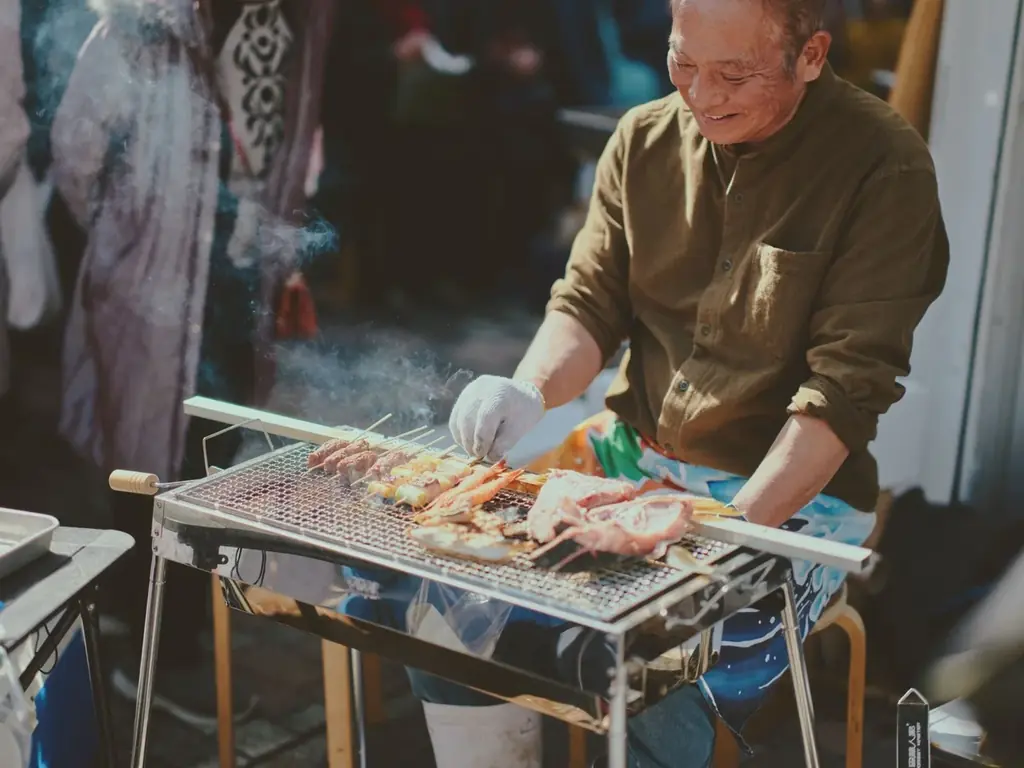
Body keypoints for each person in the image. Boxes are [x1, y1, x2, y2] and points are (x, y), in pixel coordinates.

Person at [436, 0, 950, 765]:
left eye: (734, 74)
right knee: (451, 603)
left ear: (811, 55)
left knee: (656, 679)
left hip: (782, 500)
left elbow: (843, 393)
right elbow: (589, 303)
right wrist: (529, 389)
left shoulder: (884, 167)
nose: (702, 96)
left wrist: (719, 543)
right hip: (626, 461)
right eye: (684, 63)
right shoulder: (643, 138)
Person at [51, 0, 333, 726]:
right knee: (151, 460)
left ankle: (161, 622)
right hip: (151, 283)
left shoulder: (302, 17)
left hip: (242, 276)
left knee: (211, 459)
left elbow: (293, 136)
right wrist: (130, 242)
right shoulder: (142, 21)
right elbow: (76, 150)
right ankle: (163, 654)